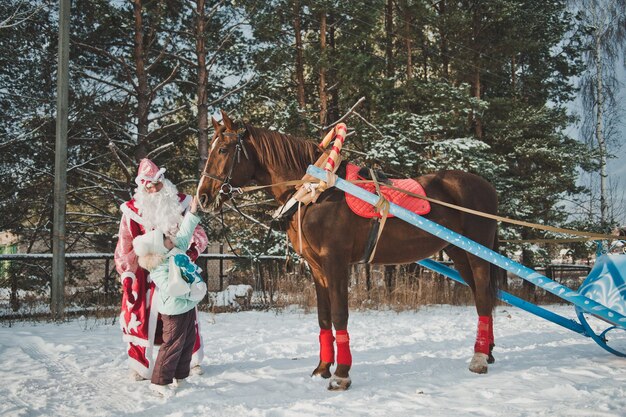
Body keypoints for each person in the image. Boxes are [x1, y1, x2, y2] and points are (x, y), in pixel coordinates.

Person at [114, 158, 208, 381]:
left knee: (186, 320)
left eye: (158, 184)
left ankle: (190, 361)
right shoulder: (132, 212)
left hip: (178, 269)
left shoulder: (179, 204)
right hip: (147, 274)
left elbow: (196, 236)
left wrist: (190, 254)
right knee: (144, 318)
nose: (155, 189)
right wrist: (127, 273)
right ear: (142, 188)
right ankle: (142, 365)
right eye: (149, 186)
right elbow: (124, 244)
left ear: (164, 183)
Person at [132, 196, 207, 398]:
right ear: (159, 247)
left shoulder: (174, 249)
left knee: (187, 342)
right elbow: (169, 287)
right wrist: (191, 290)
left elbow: (185, 232)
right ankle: (159, 382)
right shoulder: (158, 266)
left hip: (187, 306)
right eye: (165, 237)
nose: (169, 237)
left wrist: (192, 211)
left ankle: (180, 377)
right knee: (172, 345)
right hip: (174, 310)